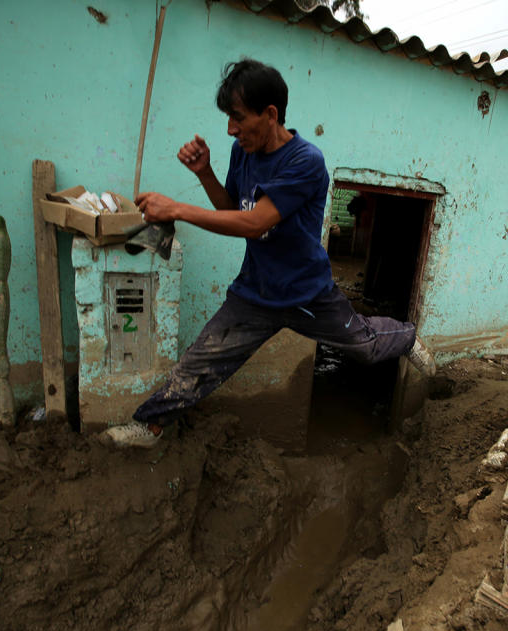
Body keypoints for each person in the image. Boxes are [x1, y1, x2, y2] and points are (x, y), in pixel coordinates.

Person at [103, 59, 435, 448]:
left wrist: (176, 209)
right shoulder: (242, 150)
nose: (231, 128)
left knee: (364, 345)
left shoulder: (305, 161)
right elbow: (234, 212)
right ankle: (150, 427)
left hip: (308, 292)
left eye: (238, 118)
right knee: (202, 359)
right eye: (229, 118)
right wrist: (204, 172)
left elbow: (256, 223)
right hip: (256, 293)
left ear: (271, 114)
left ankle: (407, 337)